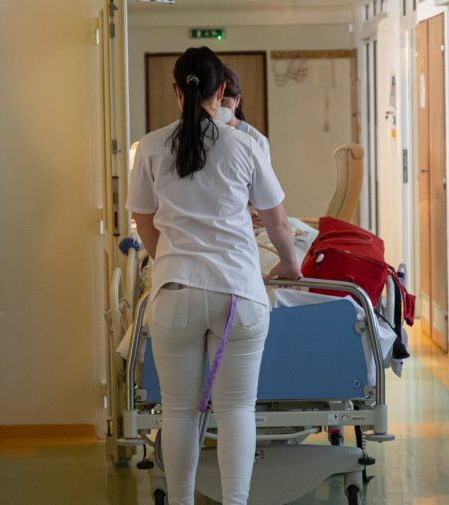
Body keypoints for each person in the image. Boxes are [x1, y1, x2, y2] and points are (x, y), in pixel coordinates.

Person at [126, 46, 301, 504]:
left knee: (179, 412)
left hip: (175, 294)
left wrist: (171, 262)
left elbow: (143, 220)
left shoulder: (150, 147)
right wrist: (290, 264)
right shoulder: (245, 145)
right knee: (236, 408)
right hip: (238, 294)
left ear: (176, 90)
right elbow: (278, 222)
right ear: (222, 90)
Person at [218, 64, 271, 161]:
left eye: (222, 101)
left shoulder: (256, 140)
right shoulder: (203, 134)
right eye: (213, 100)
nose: (216, 106)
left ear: (237, 100)